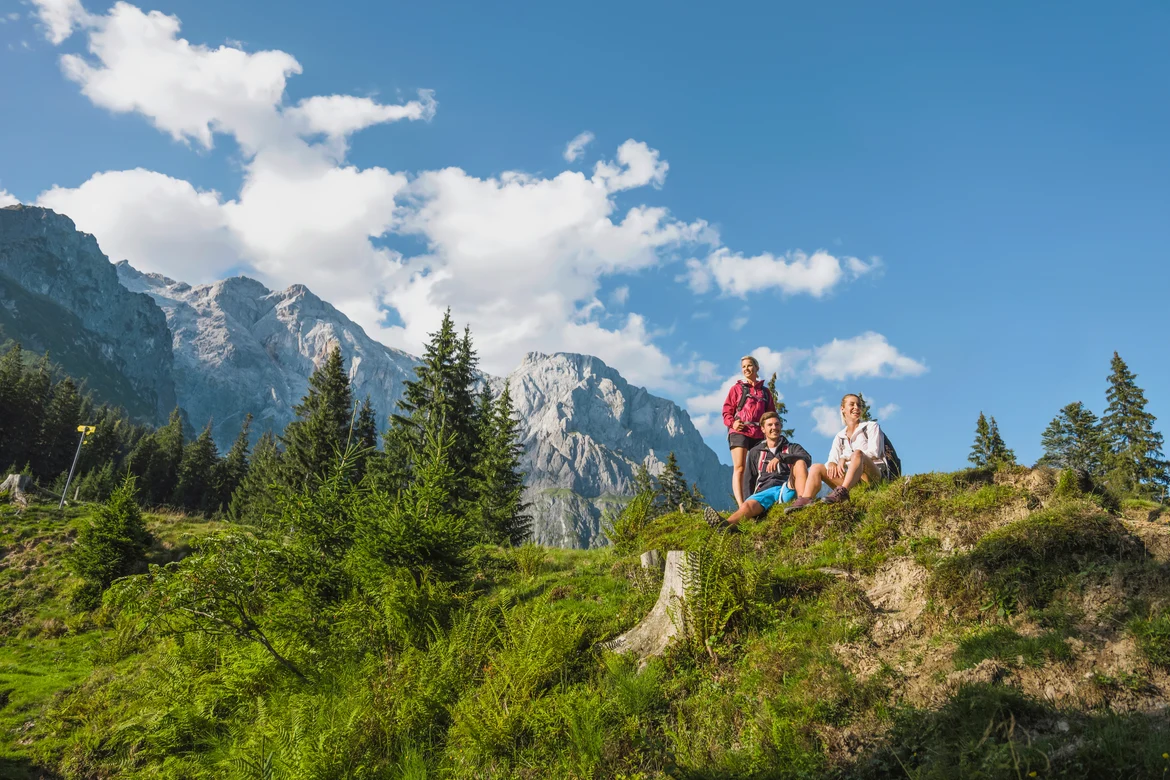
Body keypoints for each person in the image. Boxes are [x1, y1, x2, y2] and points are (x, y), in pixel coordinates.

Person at [705, 412, 811, 531]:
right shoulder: (755, 452)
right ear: (763, 429)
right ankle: (726, 526)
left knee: (800, 462)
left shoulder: (792, 447)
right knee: (747, 505)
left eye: (777, 424)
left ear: (781, 426)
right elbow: (748, 480)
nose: (774, 427)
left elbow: (807, 458)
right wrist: (748, 499)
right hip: (764, 492)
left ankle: (802, 502)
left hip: (786, 488)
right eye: (770, 425)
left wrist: (781, 457)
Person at [786, 393, 891, 511]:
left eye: (859, 405)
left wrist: (845, 458)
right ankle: (805, 500)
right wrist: (832, 463)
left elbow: (874, 452)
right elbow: (831, 460)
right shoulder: (840, 436)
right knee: (816, 467)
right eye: (852, 404)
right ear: (843, 409)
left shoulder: (871, 427)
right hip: (853, 481)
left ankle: (843, 492)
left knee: (858, 454)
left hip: (873, 475)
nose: (856, 407)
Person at [722, 355, 776, 506]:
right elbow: (726, 411)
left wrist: (771, 431)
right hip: (740, 431)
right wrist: (733, 423)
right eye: (744, 366)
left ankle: (755, 502)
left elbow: (771, 414)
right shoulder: (736, 389)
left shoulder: (765, 392)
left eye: (749, 365)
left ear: (756, 368)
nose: (746, 369)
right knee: (740, 467)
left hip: (759, 433)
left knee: (759, 469)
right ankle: (741, 505)